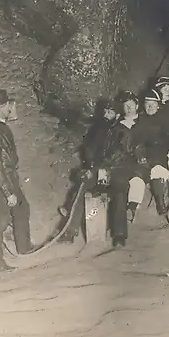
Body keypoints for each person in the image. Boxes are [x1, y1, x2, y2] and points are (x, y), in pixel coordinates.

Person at [0, 89, 37, 272]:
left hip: (8, 178)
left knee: (22, 208)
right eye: (9, 106)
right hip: (1, 182)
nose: (12, 108)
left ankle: (24, 247)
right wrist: (7, 191)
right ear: (2, 107)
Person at [57, 99, 120, 244]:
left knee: (82, 188)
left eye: (110, 112)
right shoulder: (101, 129)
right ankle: (70, 222)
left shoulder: (116, 131)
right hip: (98, 169)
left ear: (116, 115)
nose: (106, 115)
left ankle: (70, 228)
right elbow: (90, 151)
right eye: (105, 111)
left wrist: (94, 169)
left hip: (112, 171)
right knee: (81, 187)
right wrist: (91, 168)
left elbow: (114, 157)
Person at [127, 87, 169, 228]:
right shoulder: (140, 120)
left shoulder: (165, 119)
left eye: (153, 104)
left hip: (159, 153)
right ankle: (132, 208)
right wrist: (139, 153)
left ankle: (160, 202)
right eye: (147, 104)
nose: (150, 107)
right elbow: (134, 140)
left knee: (158, 171)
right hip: (143, 156)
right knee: (136, 178)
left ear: (158, 105)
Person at [100, 90, 143, 247]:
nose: (129, 109)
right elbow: (112, 149)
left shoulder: (143, 122)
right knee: (118, 185)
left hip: (140, 164)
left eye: (131, 105)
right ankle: (119, 235)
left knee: (130, 181)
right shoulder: (117, 126)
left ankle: (129, 211)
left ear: (137, 106)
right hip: (121, 165)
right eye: (125, 106)